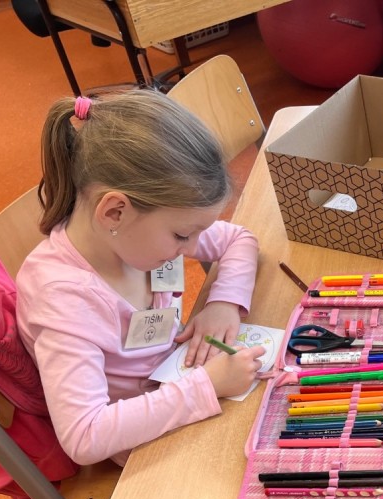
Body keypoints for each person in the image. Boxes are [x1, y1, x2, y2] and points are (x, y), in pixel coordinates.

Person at [16, 89, 265, 466]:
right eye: (182, 235)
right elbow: (84, 436)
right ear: (114, 212)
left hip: (182, 387)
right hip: (145, 446)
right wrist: (206, 386)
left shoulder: (131, 237)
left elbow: (239, 239)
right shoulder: (63, 299)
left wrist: (223, 304)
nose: (192, 247)